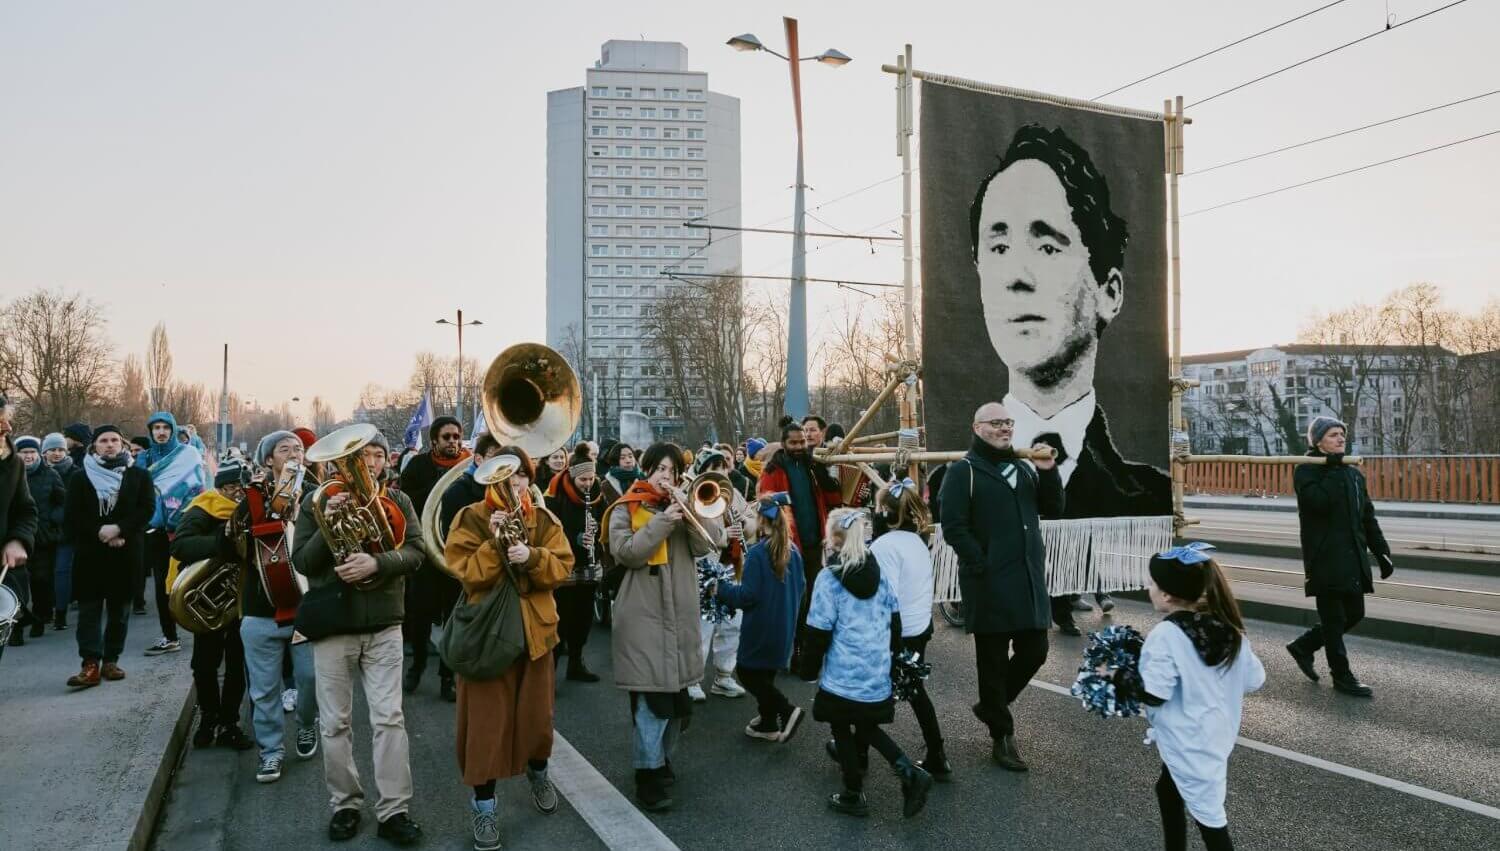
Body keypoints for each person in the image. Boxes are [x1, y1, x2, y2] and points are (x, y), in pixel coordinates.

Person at [291, 428, 424, 846]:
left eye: (376, 456)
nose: (368, 463)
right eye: (361, 456)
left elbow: (417, 553)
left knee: (389, 718)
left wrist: (377, 564)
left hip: (385, 623)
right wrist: (327, 521)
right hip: (334, 627)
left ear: (386, 461)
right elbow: (303, 561)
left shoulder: (399, 501)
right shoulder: (318, 502)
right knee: (335, 723)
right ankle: (345, 805)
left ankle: (393, 810)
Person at [444, 445, 572, 851]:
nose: (512, 483)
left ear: (528, 481)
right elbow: (464, 572)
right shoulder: (471, 518)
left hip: (535, 634)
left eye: (518, 476)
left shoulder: (544, 519)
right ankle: (484, 806)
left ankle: (538, 771)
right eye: (503, 475)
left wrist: (531, 555)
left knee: (538, 718)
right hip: (487, 637)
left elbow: (562, 566)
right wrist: (495, 545)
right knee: (484, 726)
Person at [939, 402, 1063, 771]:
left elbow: (1053, 508)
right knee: (991, 664)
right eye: (996, 423)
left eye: (1008, 423)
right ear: (978, 428)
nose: (1005, 428)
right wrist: (981, 562)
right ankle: (1002, 736)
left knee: (1036, 649)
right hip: (989, 582)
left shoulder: (1024, 468)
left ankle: (991, 706)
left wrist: (1049, 472)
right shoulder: (964, 472)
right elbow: (953, 526)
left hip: (1026, 579)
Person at [604, 441, 723, 811]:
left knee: (677, 703)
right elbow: (626, 552)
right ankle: (647, 775)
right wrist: (661, 522)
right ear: (646, 471)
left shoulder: (682, 507)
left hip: (679, 616)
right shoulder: (626, 507)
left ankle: (662, 761)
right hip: (642, 617)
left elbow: (711, 544)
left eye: (670, 471)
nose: (664, 477)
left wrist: (691, 512)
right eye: (658, 470)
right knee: (651, 703)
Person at [1124, 543, 1265, 851]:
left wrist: (1117, 676)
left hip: (1187, 741)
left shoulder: (1167, 635)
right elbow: (1255, 679)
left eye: (1152, 583)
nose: (1149, 588)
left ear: (1167, 595)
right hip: (1215, 735)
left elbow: (1155, 695)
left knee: (1211, 820)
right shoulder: (1230, 630)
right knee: (1168, 789)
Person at [802, 508, 932, 819]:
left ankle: (853, 790)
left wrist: (807, 669)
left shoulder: (829, 579)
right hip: (875, 671)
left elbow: (817, 630)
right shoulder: (880, 576)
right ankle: (907, 773)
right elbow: (895, 624)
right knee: (864, 724)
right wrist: (889, 659)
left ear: (835, 540)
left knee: (842, 723)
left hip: (844, 673)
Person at [231, 431, 320, 782]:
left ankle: (306, 724)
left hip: (305, 609)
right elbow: (231, 547)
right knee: (264, 690)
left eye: (299, 448)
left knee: (311, 679)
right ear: (269, 460)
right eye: (284, 449)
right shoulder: (251, 496)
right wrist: (251, 514)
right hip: (259, 609)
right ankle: (270, 752)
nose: (294, 453)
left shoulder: (315, 497)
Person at [1286, 417, 1393, 698]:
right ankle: (1342, 676)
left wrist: (1381, 552)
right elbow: (1318, 504)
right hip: (1325, 557)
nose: (1340, 439)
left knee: (1355, 613)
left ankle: (1304, 646)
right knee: (1333, 621)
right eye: (1333, 435)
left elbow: (1367, 517)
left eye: (1342, 434)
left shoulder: (1353, 473)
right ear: (1318, 441)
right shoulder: (1306, 472)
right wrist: (1332, 471)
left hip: (1353, 557)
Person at [169, 459, 255, 751]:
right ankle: (208, 717)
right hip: (210, 602)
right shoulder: (203, 508)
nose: (238, 495)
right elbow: (180, 545)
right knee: (204, 664)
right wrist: (223, 542)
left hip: (241, 597)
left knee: (236, 663)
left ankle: (230, 723)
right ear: (220, 488)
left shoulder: (251, 510)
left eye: (242, 489)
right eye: (233, 488)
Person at [870, 477, 950, 780]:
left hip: (897, 630)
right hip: (919, 626)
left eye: (878, 508)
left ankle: (856, 751)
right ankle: (937, 753)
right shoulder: (916, 540)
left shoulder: (885, 546)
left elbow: (885, 595)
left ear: (887, 513)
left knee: (870, 691)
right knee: (914, 691)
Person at [64, 426, 154, 688]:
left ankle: (111, 660)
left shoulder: (138, 475)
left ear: (122, 444)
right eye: (103, 441)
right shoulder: (81, 478)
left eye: (115, 439)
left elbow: (146, 509)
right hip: (91, 554)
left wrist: (119, 529)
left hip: (125, 551)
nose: (110, 444)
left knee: (119, 611)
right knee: (89, 611)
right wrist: (100, 531)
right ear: (94, 447)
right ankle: (90, 664)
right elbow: (72, 517)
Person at [711, 492, 803, 741]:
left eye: (753, 517)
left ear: (762, 521)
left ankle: (787, 710)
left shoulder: (758, 553)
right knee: (766, 675)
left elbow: (747, 596)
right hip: (784, 626)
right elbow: (802, 586)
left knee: (749, 673)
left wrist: (721, 589)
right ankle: (768, 722)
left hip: (761, 627)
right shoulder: (792, 550)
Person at [757, 419, 842, 664]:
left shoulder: (811, 466)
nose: (798, 446)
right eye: (793, 442)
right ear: (784, 444)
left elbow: (834, 497)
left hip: (815, 543)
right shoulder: (773, 471)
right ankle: (791, 649)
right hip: (790, 546)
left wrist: (825, 477)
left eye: (802, 442)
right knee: (795, 600)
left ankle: (806, 648)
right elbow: (766, 509)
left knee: (814, 598)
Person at [396, 415, 470, 699]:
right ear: (434, 441)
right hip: (427, 552)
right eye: (447, 437)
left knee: (453, 615)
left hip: (456, 550)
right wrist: (441, 488)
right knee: (420, 613)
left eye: (456, 436)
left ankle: (447, 676)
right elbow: (407, 500)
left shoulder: (469, 466)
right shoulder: (418, 465)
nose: (453, 441)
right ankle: (417, 664)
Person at [138, 410, 206, 649]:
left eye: (165, 427)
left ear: (173, 430)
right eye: (156, 428)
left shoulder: (189, 454)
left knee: (191, 579)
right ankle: (170, 636)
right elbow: (139, 492)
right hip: (155, 530)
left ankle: (202, 628)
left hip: (186, 528)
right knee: (160, 584)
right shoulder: (144, 459)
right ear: (150, 432)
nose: (161, 432)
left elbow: (198, 487)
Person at [687, 448, 749, 702]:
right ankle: (692, 679)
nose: (719, 472)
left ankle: (724, 675)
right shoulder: (695, 494)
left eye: (721, 467)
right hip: (706, 567)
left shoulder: (733, 494)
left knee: (732, 623)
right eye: (712, 467)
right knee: (703, 624)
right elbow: (699, 534)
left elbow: (749, 517)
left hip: (733, 566)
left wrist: (745, 524)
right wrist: (726, 536)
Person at [543, 443, 605, 683]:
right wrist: (575, 537)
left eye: (591, 479)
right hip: (564, 564)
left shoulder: (598, 493)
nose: (588, 484)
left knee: (584, 615)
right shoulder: (555, 494)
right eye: (583, 480)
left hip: (588, 564)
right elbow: (549, 530)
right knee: (562, 617)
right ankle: (551, 670)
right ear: (572, 475)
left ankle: (576, 662)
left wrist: (596, 534)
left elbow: (604, 521)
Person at [17, 436, 65, 641]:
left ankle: (40, 617)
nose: (28, 456)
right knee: (16, 583)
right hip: (15, 537)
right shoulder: (10, 474)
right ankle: (16, 626)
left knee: (41, 580)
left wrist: (54, 518)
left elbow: (63, 502)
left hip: (43, 538)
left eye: (31, 452)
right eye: (24, 453)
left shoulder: (50, 474)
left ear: (38, 454)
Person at [1, 397, 38, 654]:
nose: (8, 429)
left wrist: (17, 539)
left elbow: (26, 510)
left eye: (6, 421)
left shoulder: (12, 463)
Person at [41, 432, 76, 630]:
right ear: (44, 452)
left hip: (66, 531)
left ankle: (60, 613)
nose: (56, 453)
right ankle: (44, 611)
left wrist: (58, 515)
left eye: (60, 449)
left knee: (62, 572)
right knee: (42, 575)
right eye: (52, 450)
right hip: (43, 531)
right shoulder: (38, 472)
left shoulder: (75, 472)